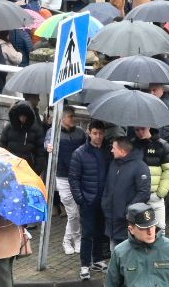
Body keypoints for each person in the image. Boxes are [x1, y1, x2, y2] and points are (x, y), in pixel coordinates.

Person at [68, 119, 113, 277]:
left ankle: (98, 259)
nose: (98, 136)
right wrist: (80, 198)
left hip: (104, 199)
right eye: (95, 133)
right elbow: (73, 179)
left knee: (101, 231)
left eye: (100, 133)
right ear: (89, 133)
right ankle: (85, 265)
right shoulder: (80, 153)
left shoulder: (109, 151)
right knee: (87, 233)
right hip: (88, 200)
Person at [102, 133, 152, 252]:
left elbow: (144, 193)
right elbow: (108, 186)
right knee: (114, 250)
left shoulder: (140, 167)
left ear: (122, 151)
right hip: (112, 219)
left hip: (127, 221)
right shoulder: (114, 163)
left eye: (113, 148)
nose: (111, 150)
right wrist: (105, 203)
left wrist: (128, 210)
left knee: (128, 252)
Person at [49, 105, 87, 256]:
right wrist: (48, 146)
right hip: (63, 177)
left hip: (78, 177)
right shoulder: (54, 132)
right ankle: (71, 240)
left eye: (74, 115)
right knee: (73, 212)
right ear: (63, 118)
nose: (74, 119)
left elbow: (87, 149)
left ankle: (73, 240)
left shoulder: (80, 133)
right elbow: (47, 142)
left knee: (77, 211)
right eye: (71, 116)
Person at [135, 125, 169, 230]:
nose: (140, 132)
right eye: (137, 130)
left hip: (154, 197)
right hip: (137, 196)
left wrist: (160, 193)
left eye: (142, 128)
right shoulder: (133, 145)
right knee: (139, 230)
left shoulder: (162, 146)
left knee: (160, 229)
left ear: (149, 127)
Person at [0, 101, 47, 176]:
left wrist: (36, 171)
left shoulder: (37, 130)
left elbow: (40, 153)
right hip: (10, 167)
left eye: (25, 116)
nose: (23, 118)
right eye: (21, 116)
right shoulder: (8, 128)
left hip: (29, 170)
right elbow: (2, 149)